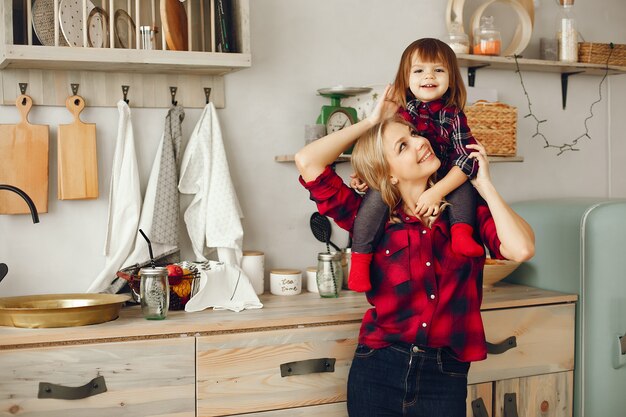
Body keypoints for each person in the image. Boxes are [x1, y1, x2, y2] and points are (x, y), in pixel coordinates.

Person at [295, 85, 534, 417]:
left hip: (445, 375)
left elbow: (521, 248)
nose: (421, 142)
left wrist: (486, 187)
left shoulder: (466, 213)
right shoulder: (367, 218)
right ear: (389, 173)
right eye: (402, 146)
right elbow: (307, 160)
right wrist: (372, 121)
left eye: (414, 135)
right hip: (378, 368)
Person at [349, 38, 483, 293]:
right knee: (375, 196)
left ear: (452, 78)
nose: (428, 76)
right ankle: (359, 259)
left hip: (445, 176)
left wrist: (437, 191)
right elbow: (378, 150)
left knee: (465, 188)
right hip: (407, 179)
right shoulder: (400, 113)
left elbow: (466, 159)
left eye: (439, 70)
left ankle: (461, 233)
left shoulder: (454, 114)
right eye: (419, 70)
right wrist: (365, 172)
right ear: (406, 77)